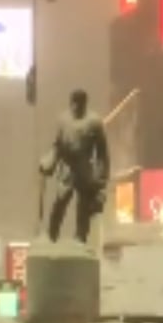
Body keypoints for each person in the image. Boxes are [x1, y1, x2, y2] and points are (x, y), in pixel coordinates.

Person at [40, 89, 109, 244]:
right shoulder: (64, 120)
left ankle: (80, 237)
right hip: (67, 167)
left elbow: (102, 154)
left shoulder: (94, 122)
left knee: (83, 206)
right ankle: (52, 235)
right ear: (71, 103)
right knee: (60, 201)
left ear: (85, 103)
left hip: (84, 167)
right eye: (74, 103)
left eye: (79, 104)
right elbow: (57, 146)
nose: (76, 107)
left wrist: (101, 178)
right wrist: (49, 163)